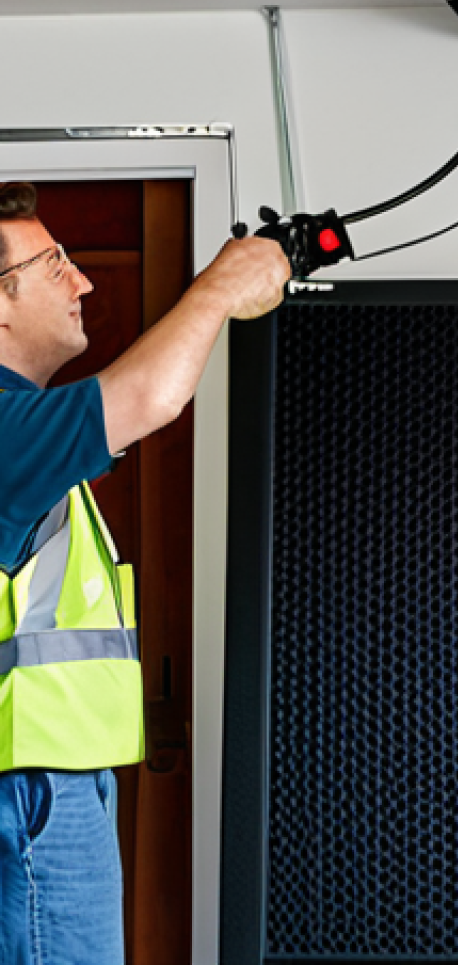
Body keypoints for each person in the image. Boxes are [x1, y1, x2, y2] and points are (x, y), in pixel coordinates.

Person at [0, 181, 291, 965]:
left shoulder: (23, 427)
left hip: (53, 783)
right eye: (54, 263)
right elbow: (149, 395)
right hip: (29, 796)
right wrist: (221, 286)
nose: (82, 282)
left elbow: (136, 398)